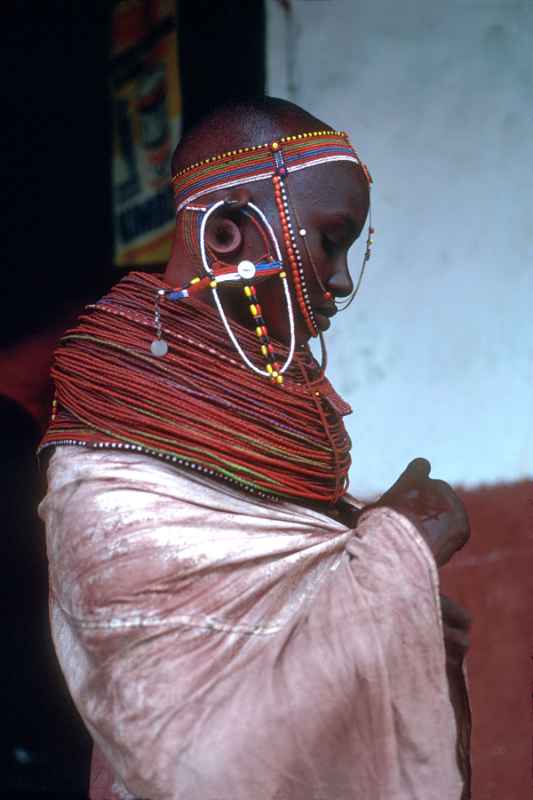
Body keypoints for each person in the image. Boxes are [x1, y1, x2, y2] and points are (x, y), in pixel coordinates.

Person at [38, 97, 471, 800]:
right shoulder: (111, 479)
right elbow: (194, 759)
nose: (340, 281)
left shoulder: (282, 402)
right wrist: (399, 553)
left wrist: (373, 556)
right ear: (229, 234)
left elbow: (284, 581)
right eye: (330, 240)